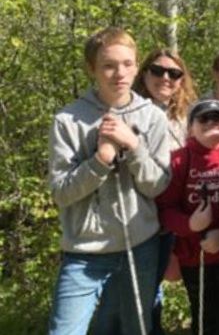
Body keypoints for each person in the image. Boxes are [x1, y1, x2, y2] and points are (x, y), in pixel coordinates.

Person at [47, 27, 171, 335]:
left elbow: (157, 186)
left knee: (134, 329)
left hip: (139, 247)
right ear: (92, 68)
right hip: (83, 253)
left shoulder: (152, 117)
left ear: (136, 65)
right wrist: (101, 159)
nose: (120, 73)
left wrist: (134, 146)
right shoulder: (68, 120)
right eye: (109, 65)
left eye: (128, 64)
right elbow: (61, 193)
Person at [157, 99, 219, 335]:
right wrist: (189, 224)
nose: (212, 122)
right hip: (194, 257)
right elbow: (164, 209)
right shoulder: (178, 160)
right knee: (203, 318)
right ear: (190, 127)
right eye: (203, 118)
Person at [134, 48, 198, 335]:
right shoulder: (131, 112)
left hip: (177, 214)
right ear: (144, 74)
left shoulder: (185, 116)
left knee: (166, 277)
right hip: (141, 215)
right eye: (158, 71)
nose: (166, 78)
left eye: (174, 73)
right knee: (144, 285)